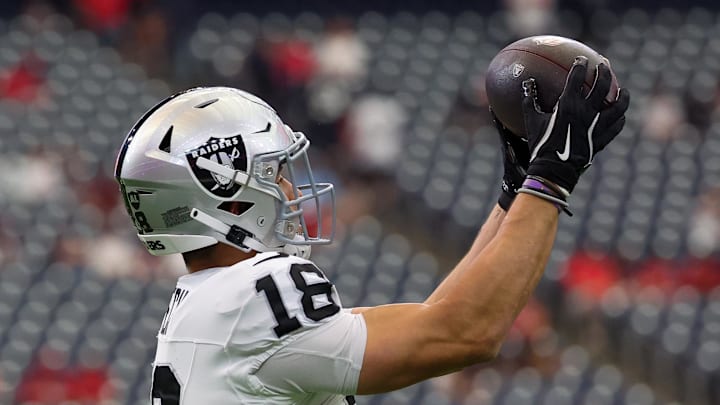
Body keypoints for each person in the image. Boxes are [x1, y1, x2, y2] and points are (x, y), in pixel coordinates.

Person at [114, 56, 629, 404]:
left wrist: (515, 190)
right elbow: (463, 333)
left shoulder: (215, 302)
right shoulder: (253, 295)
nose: (292, 191)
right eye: (277, 174)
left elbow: (437, 316)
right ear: (226, 192)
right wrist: (553, 176)